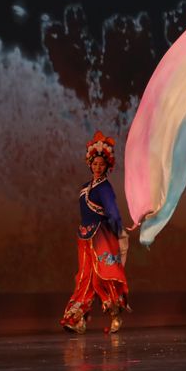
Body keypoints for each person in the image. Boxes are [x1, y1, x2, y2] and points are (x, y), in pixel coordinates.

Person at [60, 131, 131, 333]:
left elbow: (113, 213)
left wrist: (119, 231)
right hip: (84, 237)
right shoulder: (85, 187)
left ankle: (115, 314)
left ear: (107, 166)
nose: (97, 167)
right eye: (95, 164)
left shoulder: (105, 188)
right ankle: (76, 317)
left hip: (101, 236)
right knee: (84, 276)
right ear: (90, 164)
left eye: (101, 164)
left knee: (103, 276)